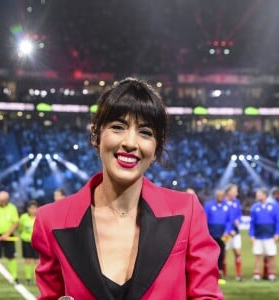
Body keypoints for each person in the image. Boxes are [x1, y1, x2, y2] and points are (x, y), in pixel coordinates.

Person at [32, 78, 223, 300]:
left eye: (145, 132)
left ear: (156, 147)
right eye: (118, 127)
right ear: (96, 135)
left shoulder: (186, 211)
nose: (130, 143)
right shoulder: (51, 220)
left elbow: (206, 295)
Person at [249, 188, 279, 281]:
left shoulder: (274, 206)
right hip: (258, 236)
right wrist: (251, 235)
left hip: (270, 235)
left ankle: (271, 275)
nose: (257, 196)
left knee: (271, 256)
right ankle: (257, 274)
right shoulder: (254, 207)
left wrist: (277, 233)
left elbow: (277, 221)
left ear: (264, 195)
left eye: (259, 194)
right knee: (257, 255)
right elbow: (252, 223)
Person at [204, 189, 232, 284]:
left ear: (223, 196)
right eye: (218, 195)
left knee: (222, 254)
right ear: (215, 196)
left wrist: (227, 231)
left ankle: (219, 273)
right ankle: (209, 274)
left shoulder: (227, 206)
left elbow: (229, 221)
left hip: (223, 235)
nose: (220, 196)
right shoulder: (209, 205)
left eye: (221, 195)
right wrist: (206, 233)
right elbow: (205, 219)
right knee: (210, 255)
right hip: (211, 234)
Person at [223, 183, 243, 281]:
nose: (237, 193)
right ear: (229, 192)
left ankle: (239, 275)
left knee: (237, 252)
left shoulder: (237, 202)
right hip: (226, 233)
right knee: (224, 253)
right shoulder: (222, 203)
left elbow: (239, 215)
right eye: (235, 191)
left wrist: (238, 221)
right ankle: (224, 274)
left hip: (236, 232)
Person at [19, 200, 39, 285]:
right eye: (31, 208)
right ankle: (28, 278)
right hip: (26, 241)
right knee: (27, 260)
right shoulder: (23, 217)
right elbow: (20, 228)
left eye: (35, 208)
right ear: (28, 209)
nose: (33, 210)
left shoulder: (39, 217)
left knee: (37, 261)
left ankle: (37, 279)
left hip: (38, 242)